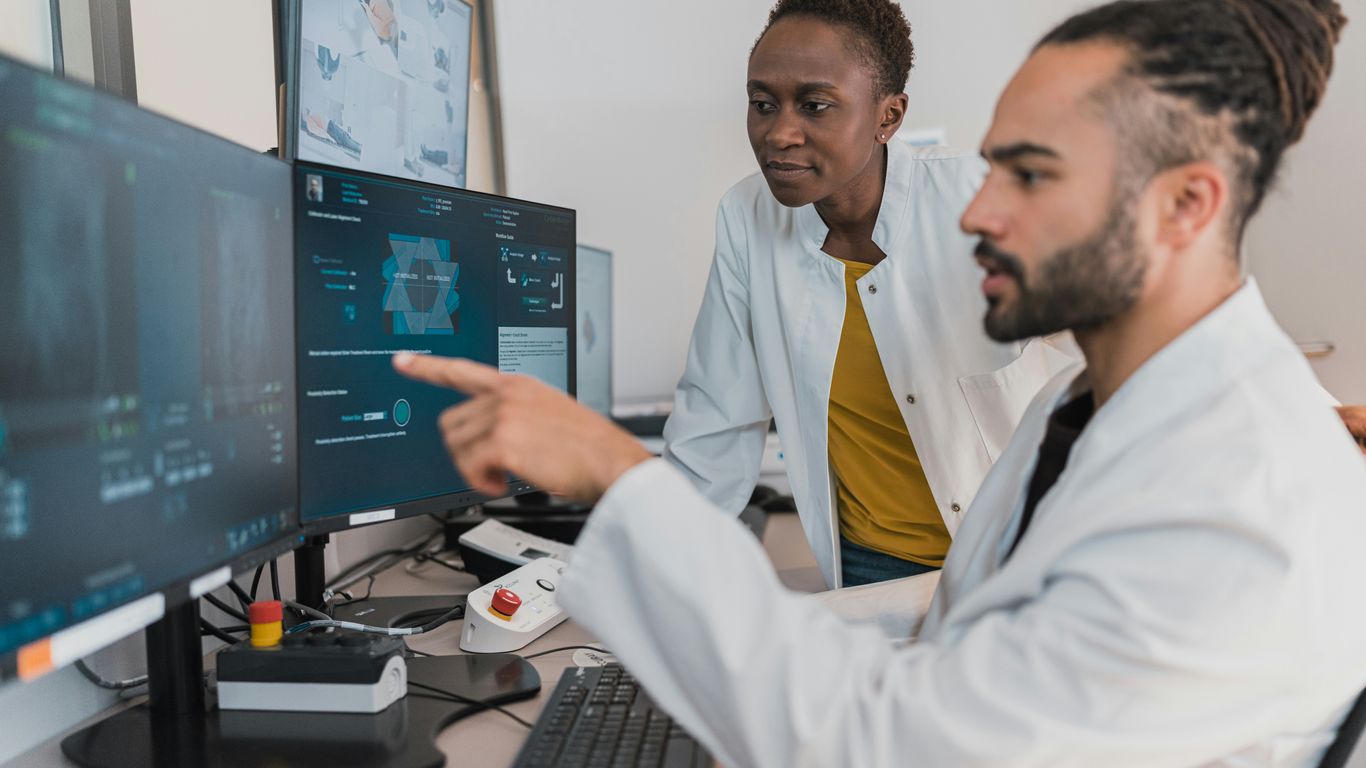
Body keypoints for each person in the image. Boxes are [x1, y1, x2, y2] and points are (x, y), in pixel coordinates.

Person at [395, 0, 1366, 764]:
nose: (976, 210)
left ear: (1184, 204)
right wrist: (736, 617)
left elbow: (891, 743)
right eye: (990, 169)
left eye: (1028, 175)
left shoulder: (1230, 498)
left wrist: (622, 479)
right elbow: (966, 609)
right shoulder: (1081, 407)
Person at [664, 0, 1075, 592]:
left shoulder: (982, 201)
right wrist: (647, 580)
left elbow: (1122, 361)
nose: (779, 132)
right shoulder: (748, 217)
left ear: (889, 116)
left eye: (815, 105)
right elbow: (713, 428)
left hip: (1021, 563)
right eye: (762, 104)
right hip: (869, 573)